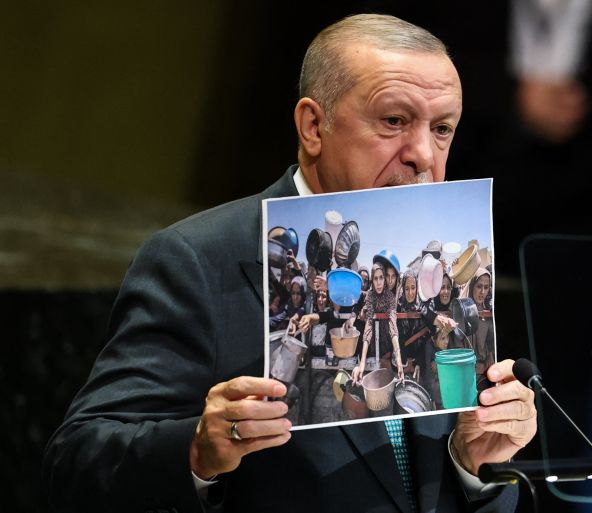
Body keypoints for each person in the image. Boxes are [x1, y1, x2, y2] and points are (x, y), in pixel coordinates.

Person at [43, 14, 536, 512]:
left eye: (443, 128)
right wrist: (197, 450)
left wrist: (474, 467)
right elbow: (77, 461)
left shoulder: (439, 279)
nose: (423, 154)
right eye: (394, 121)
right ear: (313, 126)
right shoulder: (197, 260)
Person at [352, 262, 404, 383]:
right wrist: (362, 363)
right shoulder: (370, 296)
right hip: (373, 346)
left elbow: (393, 326)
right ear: (372, 280)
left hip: (388, 346)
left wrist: (399, 361)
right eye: (375, 278)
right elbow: (369, 325)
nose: (379, 282)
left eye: (381, 277)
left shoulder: (390, 297)